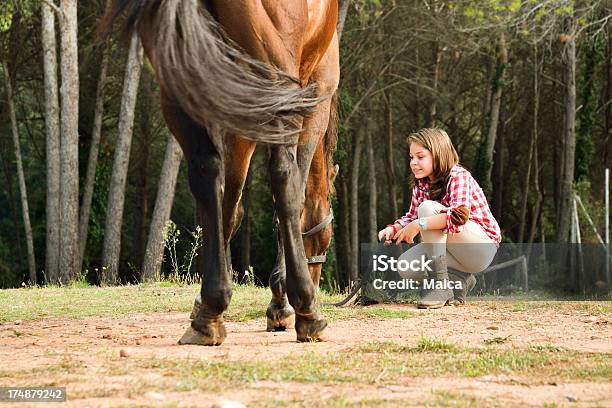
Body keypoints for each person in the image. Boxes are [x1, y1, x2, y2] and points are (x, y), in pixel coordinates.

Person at [378, 128, 501, 309]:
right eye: (411, 157)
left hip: (480, 248)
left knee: (427, 209)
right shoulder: (421, 184)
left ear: (438, 154)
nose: (413, 163)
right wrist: (393, 229)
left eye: (420, 157)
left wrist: (419, 224)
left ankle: (440, 286)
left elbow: (458, 217)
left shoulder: (458, 176)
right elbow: (411, 216)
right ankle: (459, 280)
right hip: (454, 250)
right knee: (406, 266)